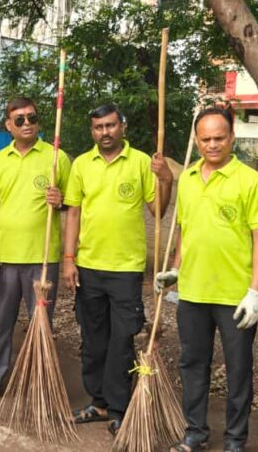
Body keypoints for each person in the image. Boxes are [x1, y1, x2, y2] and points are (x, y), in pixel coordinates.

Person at [157, 108, 258, 452]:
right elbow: (184, 230)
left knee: (238, 370)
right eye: (205, 139)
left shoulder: (250, 181)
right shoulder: (189, 178)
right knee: (192, 365)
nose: (212, 145)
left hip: (234, 295)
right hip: (193, 293)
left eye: (219, 138)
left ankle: (235, 440)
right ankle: (195, 432)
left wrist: (256, 292)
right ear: (196, 139)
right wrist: (177, 269)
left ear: (232, 137)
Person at [63, 105, 172, 436]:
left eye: (111, 125)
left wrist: (165, 179)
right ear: (92, 131)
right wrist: (69, 258)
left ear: (122, 126)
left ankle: (120, 406)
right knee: (93, 338)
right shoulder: (82, 164)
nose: (105, 132)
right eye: (98, 127)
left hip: (126, 268)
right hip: (89, 265)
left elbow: (158, 209)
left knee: (122, 339)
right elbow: (73, 214)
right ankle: (97, 401)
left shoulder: (141, 162)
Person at [0, 97, 71, 405]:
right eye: (20, 119)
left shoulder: (56, 158)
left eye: (32, 117)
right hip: (6, 256)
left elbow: (71, 203)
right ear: (8, 125)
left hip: (42, 257)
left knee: (42, 322)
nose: (27, 123)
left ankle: (40, 384)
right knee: (2, 322)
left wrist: (60, 200)